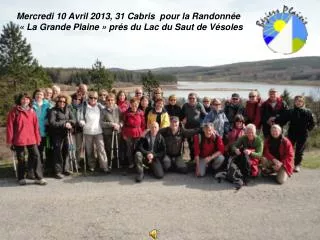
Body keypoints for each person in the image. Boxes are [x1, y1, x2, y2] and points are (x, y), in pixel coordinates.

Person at [7, 93, 47, 185]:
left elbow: (35, 126)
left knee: (36, 156)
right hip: (19, 139)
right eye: (23, 99)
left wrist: (38, 138)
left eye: (27, 99)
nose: (25, 101)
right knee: (21, 158)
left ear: (30, 100)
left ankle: (39, 177)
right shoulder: (14, 111)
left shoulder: (32, 111)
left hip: (31, 138)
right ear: (20, 100)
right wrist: (10, 140)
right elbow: (10, 126)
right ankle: (21, 178)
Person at [275, 96, 315, 172]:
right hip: (292, 133)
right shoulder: (291, 111)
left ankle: (297, 165)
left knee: (299, 151)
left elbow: (312, 123)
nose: (298, 102)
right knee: (288, 149)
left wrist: (307, 129)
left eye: (300, 101)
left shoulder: (308, 112)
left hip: (303, 134)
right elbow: (283, 119)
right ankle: (287, 163)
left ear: (303, 102)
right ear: (294, 102)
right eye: (297, 101)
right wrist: (275, 120)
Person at [78, 91, 109, 173]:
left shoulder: (100, 107)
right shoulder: (84, 107)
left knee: (101, 149)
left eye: (95, 98)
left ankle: (104, 166)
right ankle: (92, 166)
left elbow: (107, 111)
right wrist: (81, 121)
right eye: (91, 97)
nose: (93, 99)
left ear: (97, 99)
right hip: (87, 132)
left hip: (98, 131)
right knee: (89, 150)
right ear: (88, 98)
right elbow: (80, 116)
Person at [49, 94, 76, 179]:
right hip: (57, 134)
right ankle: (57, 171)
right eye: (60, 101)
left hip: (67, 134)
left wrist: (69, 123)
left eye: (64, 101)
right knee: (57, 152)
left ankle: (66, 169)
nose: (62, 103)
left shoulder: (68, 109)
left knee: (67, 151)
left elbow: (74, 120)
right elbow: (52, 122)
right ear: (57, 102)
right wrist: (64, 124)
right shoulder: (53, 111)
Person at [181, 92, 207, 160]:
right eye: (190, 98)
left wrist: (204, 123)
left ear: (196, 99)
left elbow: (205, 115)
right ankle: (192, 159)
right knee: (190, 144)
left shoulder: (199, 105)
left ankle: (197, 158)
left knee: (197, 144)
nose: (192, 99)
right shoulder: (185, 105)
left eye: (193, 98)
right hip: (188, 129)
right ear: (188, 99)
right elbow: (181, 116)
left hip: (197, 128)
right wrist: (183, 119)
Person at [100, 93, 123, 168]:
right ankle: (109, 163)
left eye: (112, 100)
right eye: (108, 100)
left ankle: (118, 163)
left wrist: (119, 125)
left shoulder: (118, 109)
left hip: (117, 132)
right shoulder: (103, 111)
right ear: (106, 101)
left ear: (114, 101)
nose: (110, 102)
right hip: (108, 133)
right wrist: (112, 124)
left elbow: (122, 120)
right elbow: (101, 123)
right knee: (108, 148)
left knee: (118, 148)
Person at [122, 98, 145, 168]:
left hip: (138, 133)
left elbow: (143, 124)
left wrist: (142, 133)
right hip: (128, 133)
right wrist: (124, 134)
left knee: (138, 148)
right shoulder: (126, 113)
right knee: (129, 149)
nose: (134, 106)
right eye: (133, 104)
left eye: (136, 104)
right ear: (130, 105)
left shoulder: (141, 112)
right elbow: (123, 124)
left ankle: (138, 162)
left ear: (138, 105)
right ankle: (131, 162)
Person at [32, 89, 50, 168]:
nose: (39, 96)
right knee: (36, 151)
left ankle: (45, 167)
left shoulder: (48, 105)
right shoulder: (31, 105)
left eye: (41, 94)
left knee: (46, 150)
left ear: (43, 96)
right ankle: (38, 167)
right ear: (34, 96)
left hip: (45, 131)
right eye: (37, 94)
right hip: (33, 132)